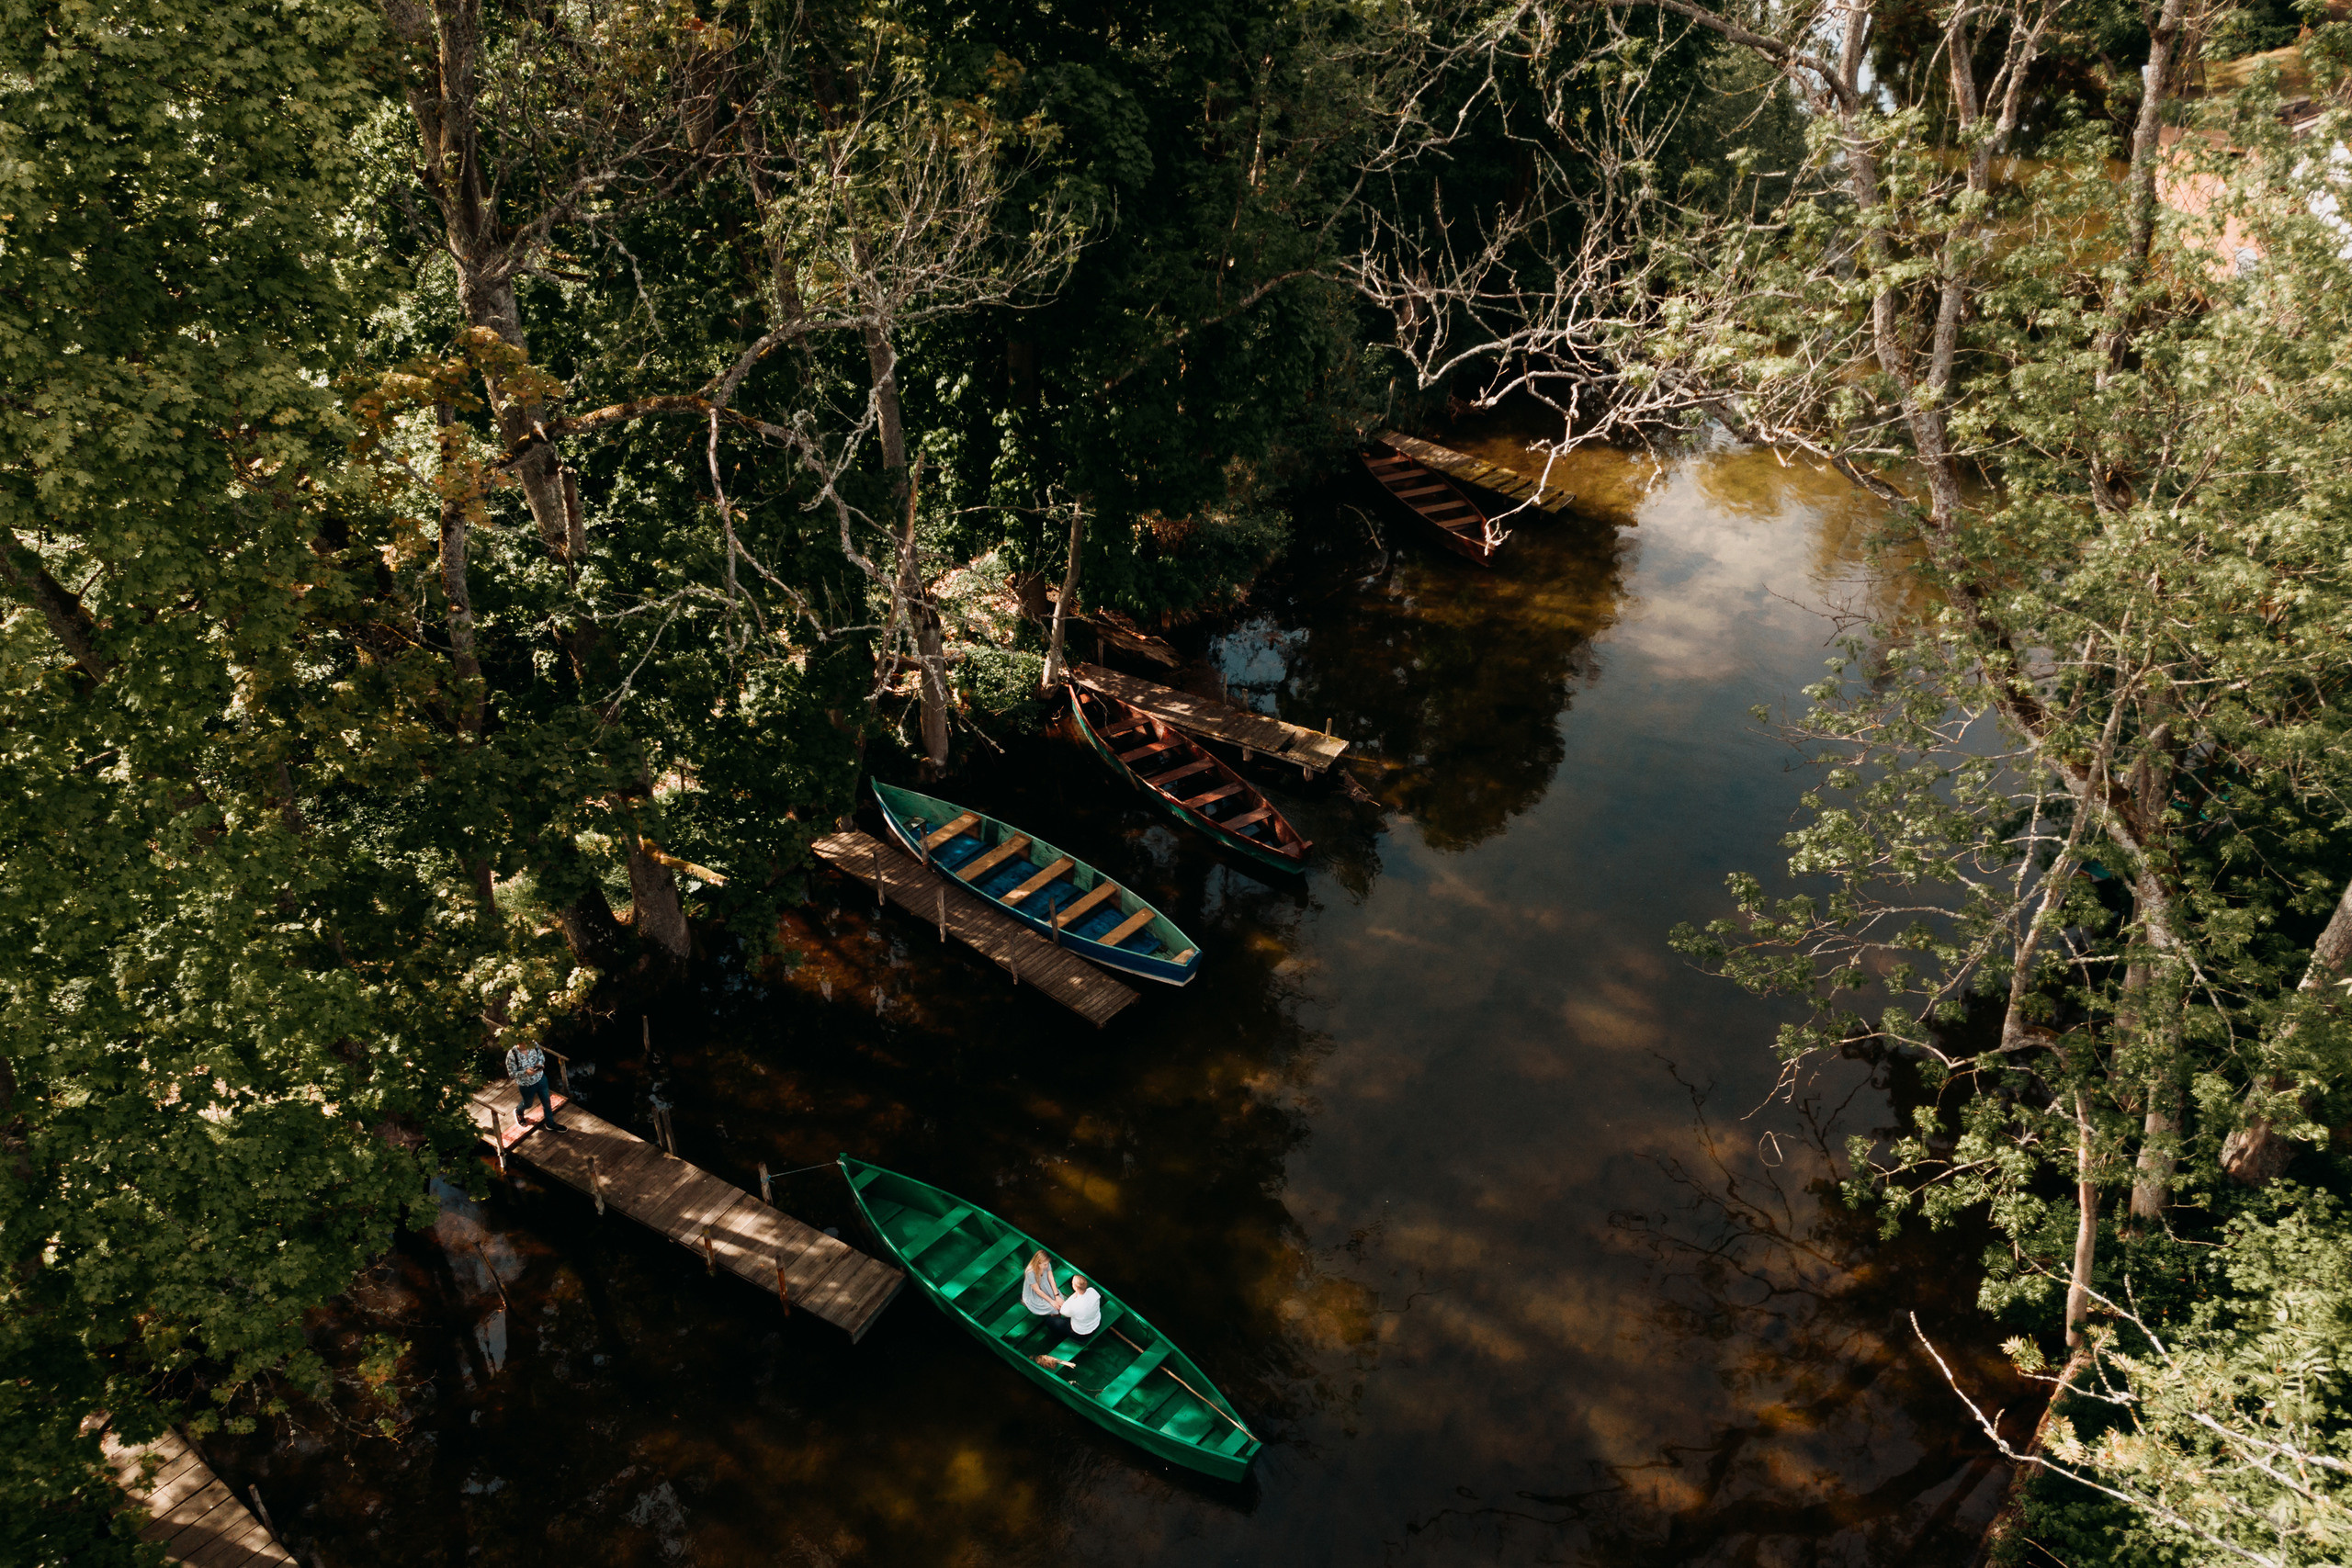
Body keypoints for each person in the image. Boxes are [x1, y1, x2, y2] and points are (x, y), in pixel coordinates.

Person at [505, 1040, 560, 1130]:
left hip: (541, 1079)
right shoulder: (512, 1055)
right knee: (528, 1104)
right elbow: (512, 1074)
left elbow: (541, 1057)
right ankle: (519, 1111)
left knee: (546, 1102)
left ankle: (550, 1124)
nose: (528, 1044)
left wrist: (540, 1064)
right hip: (526, 1085)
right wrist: (525, 1072)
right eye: (525, 1042)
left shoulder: (533, 1044)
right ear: (518, 1042)